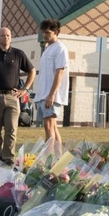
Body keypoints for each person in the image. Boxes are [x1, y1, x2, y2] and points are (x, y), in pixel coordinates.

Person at [0, 27, 35, 166]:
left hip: (12, 97)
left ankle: (8, 158)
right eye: (3, 36)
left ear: (11, 37)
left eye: (8, 35)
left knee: (11, 129)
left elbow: (32, 70)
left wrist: (25, 89)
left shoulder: (18, 54)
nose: (6, 38)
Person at [33, 19, 68, 151]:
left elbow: (60, 71)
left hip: (51, 95)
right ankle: (60, 159)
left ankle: (48, 159)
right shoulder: (47, 49)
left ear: (56, 32)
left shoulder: (60, 48)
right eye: (43, 32)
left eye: (48, 32)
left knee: (49, 126)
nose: (44, 35)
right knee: (52, 126)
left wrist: (51, 94)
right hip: (43, 95)